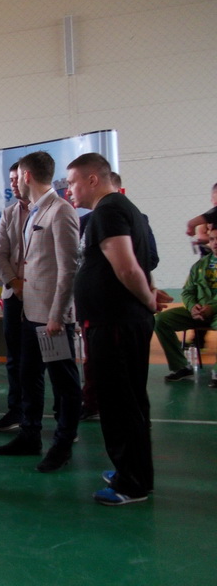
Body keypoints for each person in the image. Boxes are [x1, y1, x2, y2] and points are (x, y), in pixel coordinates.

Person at [68, 152, 163, 506]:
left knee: (119, 402)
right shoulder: (121, 209)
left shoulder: (107, 211)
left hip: (115, 323)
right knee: (130, 401)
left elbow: (127, 268)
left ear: (93, 179)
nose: (69, 190)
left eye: (73, 183)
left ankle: (131, 484)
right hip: (116, 321)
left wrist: (148, 300)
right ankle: (135, 471)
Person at [0, 151, 82, 473]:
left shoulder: (61, 210)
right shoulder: (35, 211)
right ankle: (30, 435)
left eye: (18, 177)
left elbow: (69, 268)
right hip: (30, 313)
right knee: (29, 376)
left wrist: (57, 315)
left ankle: (62, 443)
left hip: (51, 318)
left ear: (26, 176)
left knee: (63, 382)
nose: (15, 182)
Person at [154, 227, 217, 387]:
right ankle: (181, 366)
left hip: (214, 311)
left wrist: (212, 307)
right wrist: (192, 307)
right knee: (161, 320)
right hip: (199, 312)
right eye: (212, 239)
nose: (215, 243)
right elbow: (188, 291)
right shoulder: (200, 265)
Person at [0, 162, 29, 431]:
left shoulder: (53, 210)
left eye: (17, 178)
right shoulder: (9, 213)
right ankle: (16, 411)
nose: (13, 183)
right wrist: (14, 283)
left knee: (49, 360)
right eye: (11, 179)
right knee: (14, 358)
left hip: (43, 296)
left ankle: (60, 416)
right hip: (14, 294)